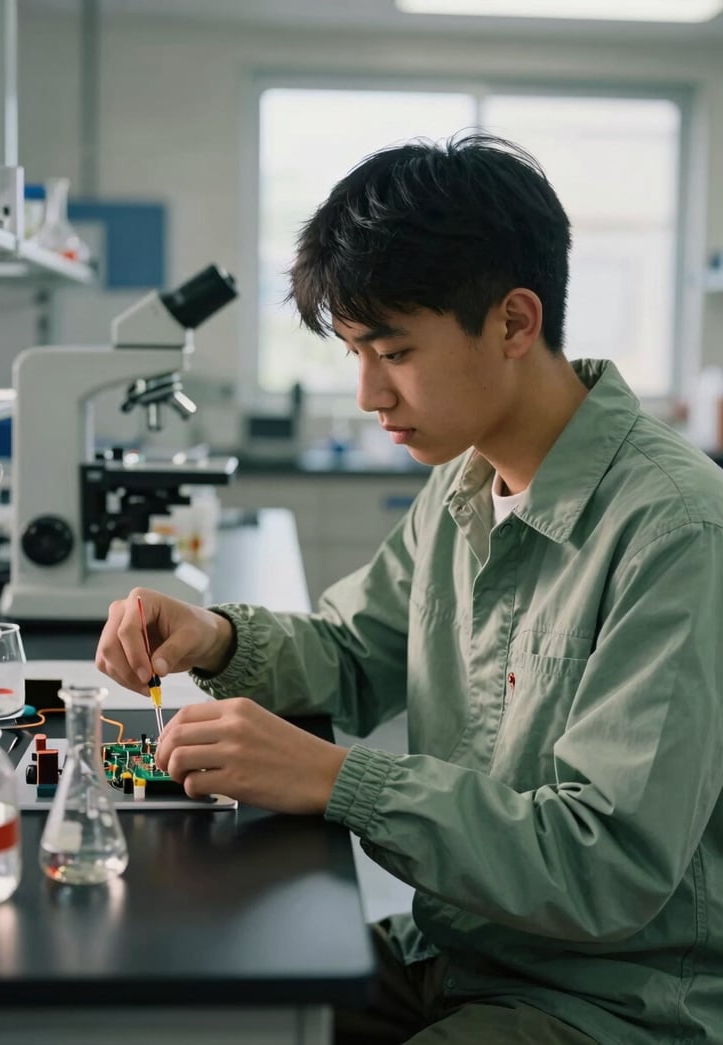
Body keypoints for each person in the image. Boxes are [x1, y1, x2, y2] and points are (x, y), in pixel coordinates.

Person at [95, 131, 723, 1044]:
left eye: (391, 351)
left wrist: (341, 781)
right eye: (353, 351)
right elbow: (354, 653)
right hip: (456, 946)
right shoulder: (464, 480)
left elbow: (608, 863)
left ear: (514, 323)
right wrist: (217, 637)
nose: (367, 394)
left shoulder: (678, 530)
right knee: (202, 1008)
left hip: (608, 996)